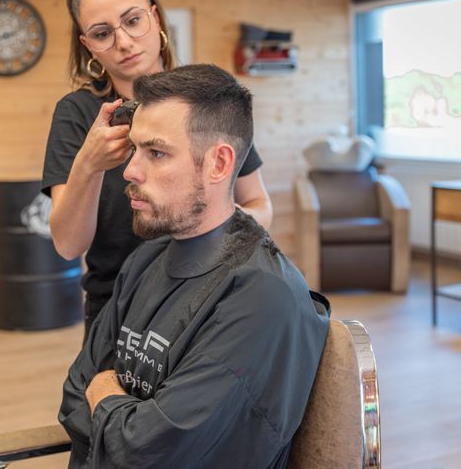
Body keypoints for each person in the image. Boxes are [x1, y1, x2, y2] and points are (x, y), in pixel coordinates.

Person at [58, 64, 330, 469]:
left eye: (156, 152)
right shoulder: (145, 258)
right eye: (134, 150)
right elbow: (73, 398)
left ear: (219, 164)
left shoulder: (261, 298)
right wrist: (121, 416)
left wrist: (106, 393)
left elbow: (149, 450)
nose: (129, 170)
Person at [42, 0, 274, 338]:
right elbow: (69, 245)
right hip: (119, 311)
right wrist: (88, 165)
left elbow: (260, 205)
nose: (124, 42)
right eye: (103, 34)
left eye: (133, 21)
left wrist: (208, 233)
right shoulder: (77, 115)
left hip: (209, 300)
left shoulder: (205, 101)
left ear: (155, 17)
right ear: (87, 44)